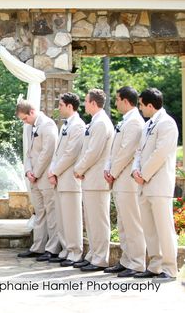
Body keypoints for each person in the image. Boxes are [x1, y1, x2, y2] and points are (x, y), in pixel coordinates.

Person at [132, 88, 178, 281]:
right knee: (149, 228)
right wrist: (135, 169)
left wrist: (143, 173)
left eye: (141, 105)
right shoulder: (148, 124)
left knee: (164, 227)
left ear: (150, 105)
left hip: (158, 184)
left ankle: (170, 269)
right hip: (144, 184)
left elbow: (160, 153)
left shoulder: (167, 124)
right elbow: (139, 151)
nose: (140, 108)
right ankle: (155, 265)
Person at [103, 86, 146, 277]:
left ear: (126, 101)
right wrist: (110, 169)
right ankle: (126, 259)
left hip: (127, 179)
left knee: (132, 222)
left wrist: (112, 171)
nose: (116, 102)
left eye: (118, 99)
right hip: (119, 178)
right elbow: (116, 150)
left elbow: (127, 151)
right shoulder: (126, 120)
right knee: (122, 222)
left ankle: (137, 262)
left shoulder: (135, 122)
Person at [73, 89, 114, 271]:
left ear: (93, 103)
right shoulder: (95, 122)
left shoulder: (101, 123)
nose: (84, 104)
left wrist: (79, 168)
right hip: (90, 178)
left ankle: (100, 259)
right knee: (91, 220)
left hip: (97, 179)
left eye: (86, 101)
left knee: (98, 220)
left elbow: (93, 152)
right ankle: (92, 255)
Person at [15, 100, 60, 261]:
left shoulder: (48, 125)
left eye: (24, 118)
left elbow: (48, 152)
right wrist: (28, 171)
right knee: (39, 213)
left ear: (31, 112)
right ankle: (38, 247)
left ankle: (53, 248)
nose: (24, 122)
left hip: (45, 176)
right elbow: (29, 152)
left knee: (52, 213)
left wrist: (36, 172)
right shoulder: (29, 127)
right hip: (34, 177)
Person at [47, 93, 85, 267]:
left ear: (70, 106)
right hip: (60, 177)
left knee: (72, 218)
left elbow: (71, 153)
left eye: (61, 105)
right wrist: (53, 171)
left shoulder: (78, 125)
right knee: (62, 218)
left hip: (69, 178)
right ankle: (66, 249)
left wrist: (55, 170)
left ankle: (75, 251)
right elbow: (58, 152)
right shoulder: (65, 125)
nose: (58, 108)